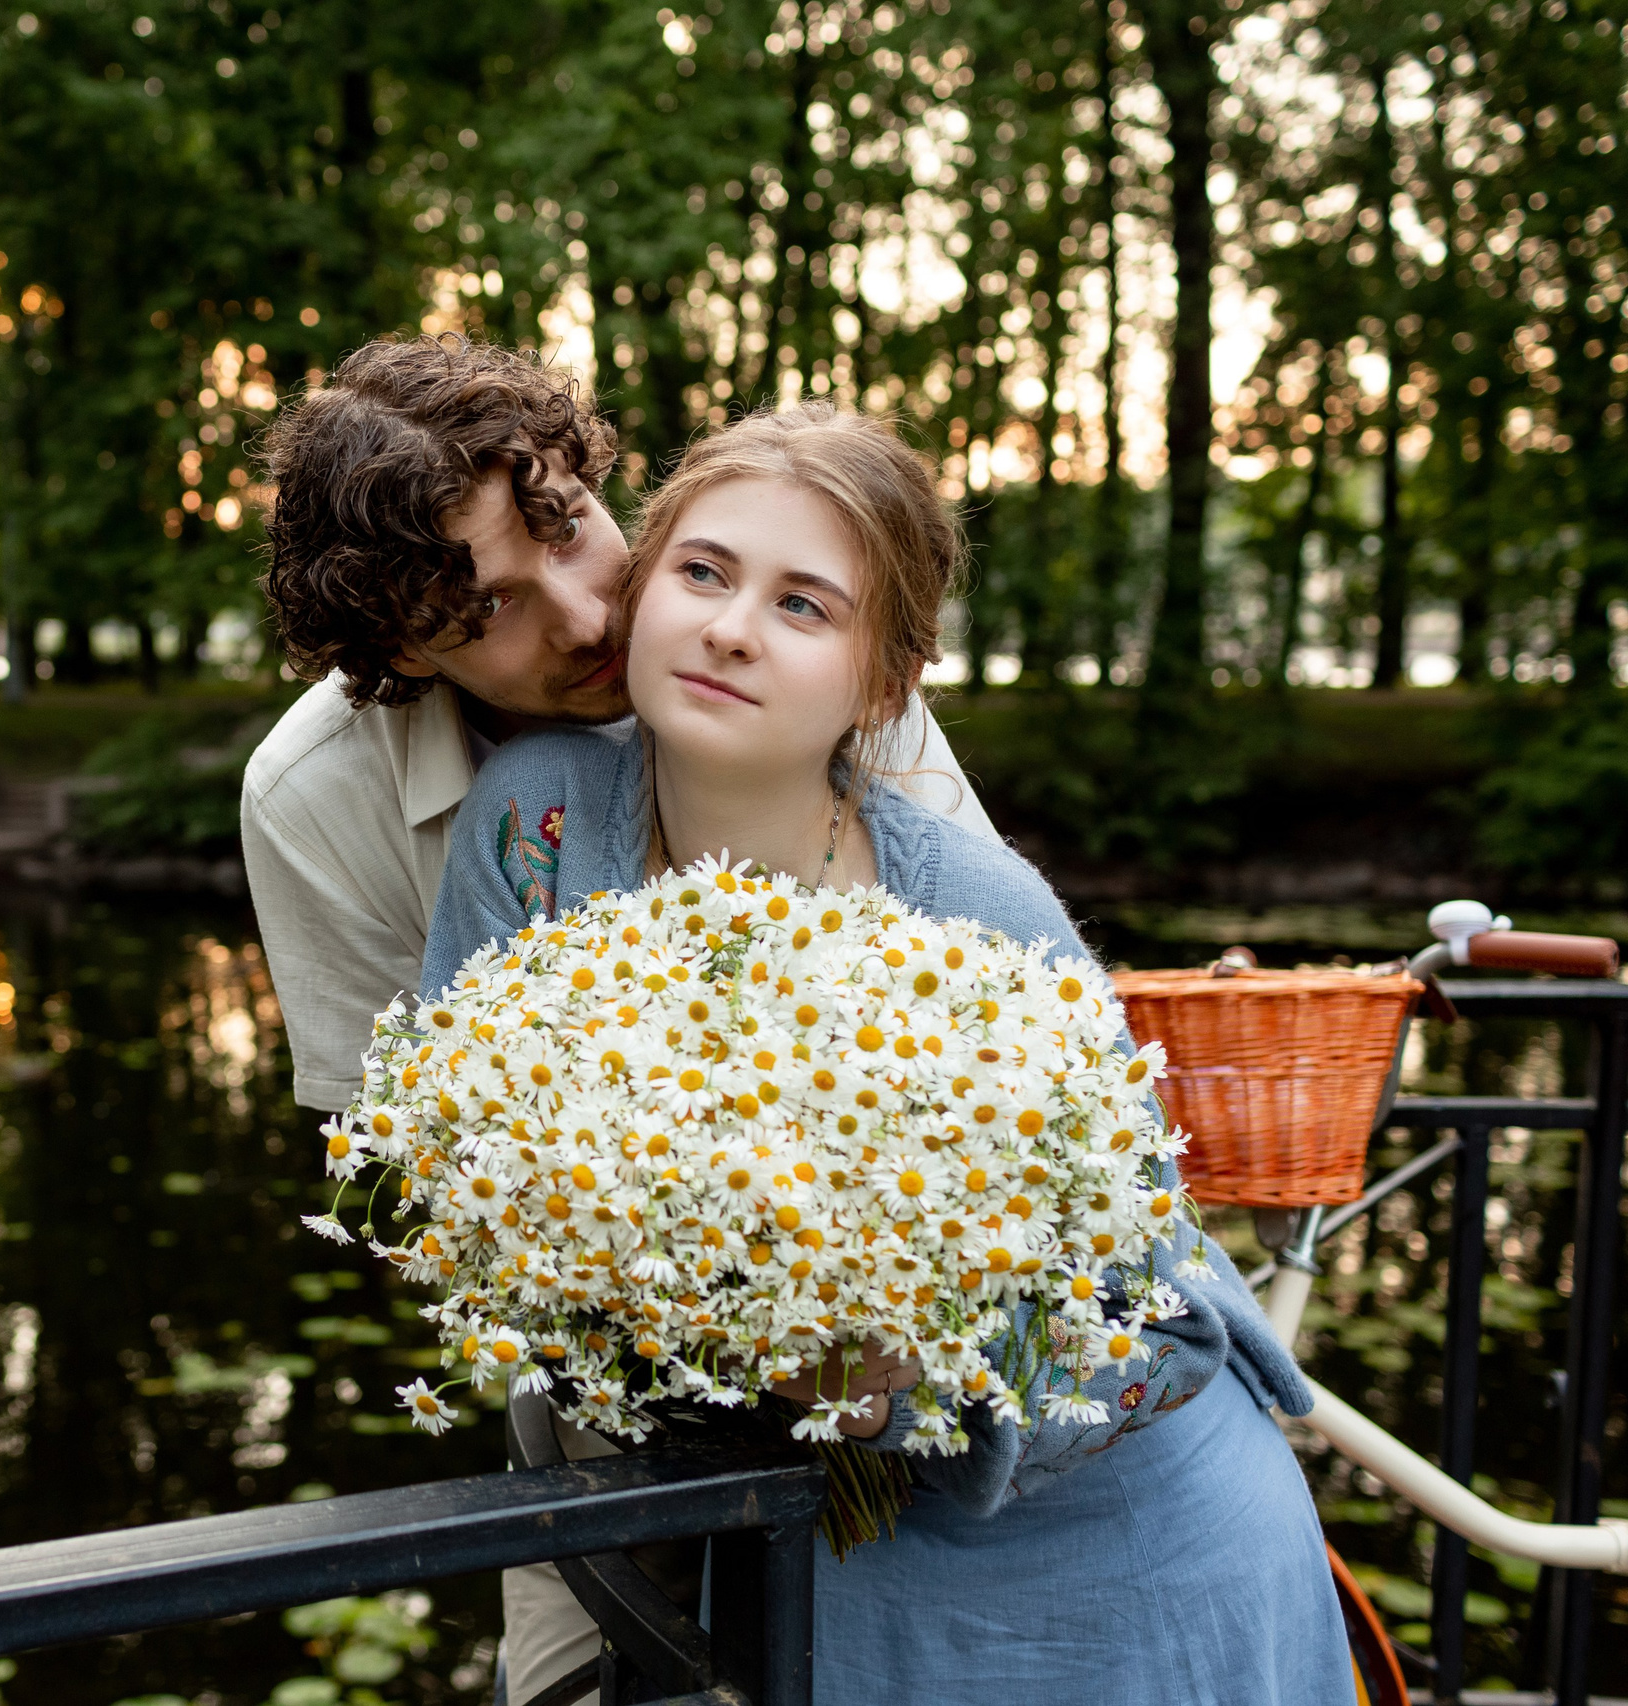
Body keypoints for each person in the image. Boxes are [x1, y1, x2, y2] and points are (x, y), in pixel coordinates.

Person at [420, 403, 1352, 1703]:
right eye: (703, 572)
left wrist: (886, 1390)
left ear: (884, 682)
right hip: (809, 1548)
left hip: (1114, 1558)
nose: (734, 626)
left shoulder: (980, 915)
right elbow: (472, 1176)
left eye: (805, 606)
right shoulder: (536, 828)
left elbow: (1168, 1330)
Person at [243, 335, 994, 1125]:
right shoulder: (310, 795)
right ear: (403, 644)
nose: (588, 620)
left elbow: (985, 982)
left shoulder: (813, 675)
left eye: (567, 530)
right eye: (491, 605)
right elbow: (400, 1144)